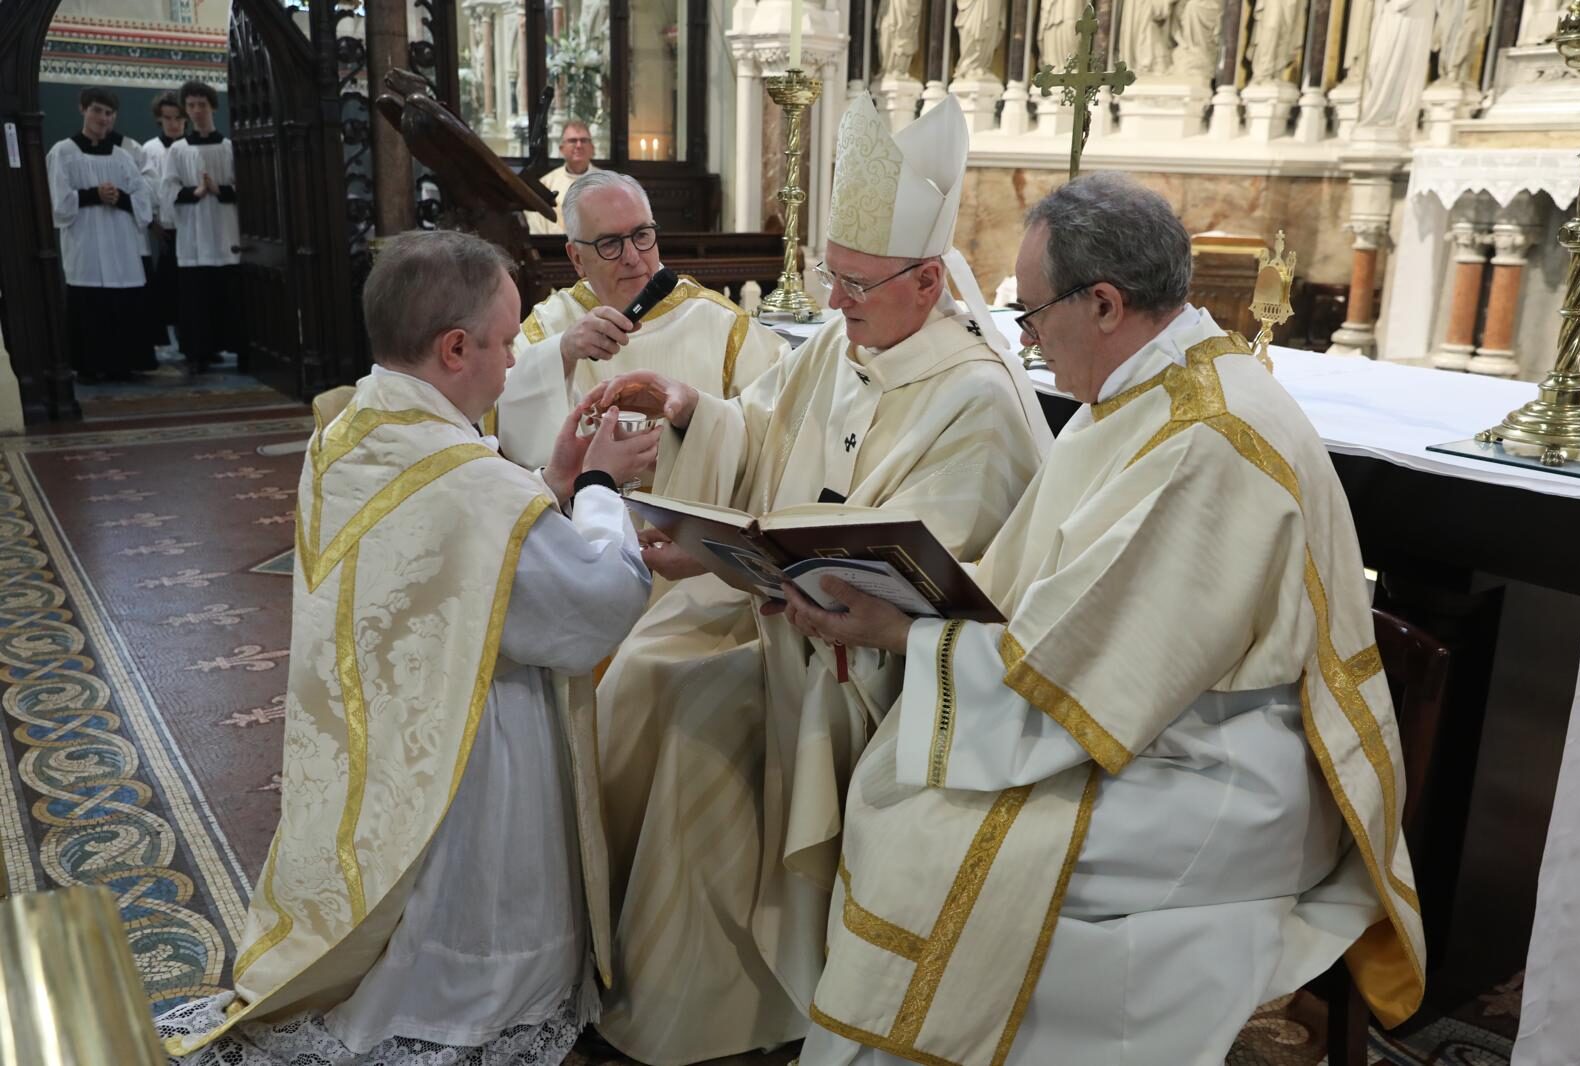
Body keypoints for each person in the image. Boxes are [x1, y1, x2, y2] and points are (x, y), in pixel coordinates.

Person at [779, 174, 1426, 1066]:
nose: (1029, 341)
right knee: (912, 800)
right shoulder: (1135, 394)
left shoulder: (1205, 438)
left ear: (1107, 304)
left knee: (948, 840)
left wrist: (897, 634)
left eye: (1034, 316)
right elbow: (1055, 596)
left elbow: (1080, 676)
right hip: (1150, 719)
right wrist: (903, 596)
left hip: (1222, 765)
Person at [583, 94, 1052, 1065]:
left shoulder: (976, 398)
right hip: (770, 612)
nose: (832, 303)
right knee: (635, 670)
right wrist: (687, 410)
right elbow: (755, 427)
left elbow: (949, 574)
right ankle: (608, 956)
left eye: (855, 284)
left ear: (926, 282)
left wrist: (807, 586)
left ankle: (711, 1007)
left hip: (869, 663)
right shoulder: (843, 341)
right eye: (828, 277)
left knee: (691, 707)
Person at [156, 229, 659, 1065]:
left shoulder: (351, 428)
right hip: (473, 752)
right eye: (506, 341)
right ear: (454, 348)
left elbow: (450, 562)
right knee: (467, 926)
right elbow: (594, 605)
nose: (513, 362)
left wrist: (552, 485)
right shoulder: (471, 484)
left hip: (383, 739)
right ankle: (468, 1004)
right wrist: (602, 490)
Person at [493, 169, 784, 467]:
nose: (632, 256)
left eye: (642, 235)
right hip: (581, 510)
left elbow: (777, 418)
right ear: (576, 258)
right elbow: (502, 419)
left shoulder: (721, 322)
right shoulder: (551, 326)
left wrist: (695, 413)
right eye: (610, 244)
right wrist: (562, 355)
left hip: (696, 509)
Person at [46, 86, 154, 383]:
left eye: (108, 113)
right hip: (86, 243)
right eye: (97, 110)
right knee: (89, 304)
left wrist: (118, 197)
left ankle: (123, 363)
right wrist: (94, 194)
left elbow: (144, 199)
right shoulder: (64, 152)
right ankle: (89, 366)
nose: (103, 119)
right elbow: (59, 203)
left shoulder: (121, 155)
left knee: (123, 301)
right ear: (82, 109)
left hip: (121, 244)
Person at [160, 79, 239, 373]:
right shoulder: (178, 150)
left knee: (225, 294)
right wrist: (194, 193)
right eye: (191, 106)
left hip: (225, 231)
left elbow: (243, 186)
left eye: (201, 105)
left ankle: (226, 346)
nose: (196, 111)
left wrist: (219, 190)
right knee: (196, 299)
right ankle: (198, 351)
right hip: (193, 236)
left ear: (212, 107)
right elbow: (167, 189)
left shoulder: (229, 147)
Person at [141, 90, 187, 354]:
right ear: (160, 118)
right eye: (167, 118)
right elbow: (147, 189)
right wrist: (152, 222)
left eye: (178, 118)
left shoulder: (192, 146)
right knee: (168, 284)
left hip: (194, 226)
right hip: (166, 227)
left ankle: (193, 337)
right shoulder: (150, 150)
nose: (173, 124)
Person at [527, 120, 599, 236]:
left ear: (592, 148)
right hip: (555, 249)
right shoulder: (545, 185)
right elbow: (537, 226)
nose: (579, 145)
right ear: (561, 149)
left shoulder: (609, 183)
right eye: (573, 141)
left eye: (584, 140)